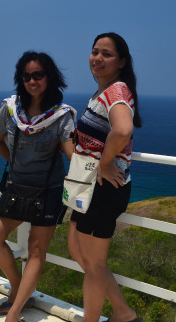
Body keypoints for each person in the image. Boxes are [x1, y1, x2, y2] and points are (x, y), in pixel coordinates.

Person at [0, 52, 76, 321]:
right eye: (27, 76)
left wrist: (101, 162)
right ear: (20, 78)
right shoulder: (11, 109)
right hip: (17, 187)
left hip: (48, 191)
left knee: (36, 249)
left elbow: (71, 154)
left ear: (49, 77)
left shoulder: (61, 116)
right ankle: (16, 287)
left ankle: (15, 310)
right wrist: (14, 163)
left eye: (38, 75)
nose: (32, 81)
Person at [67, 33, 144, 322]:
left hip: (103, 188)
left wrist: (103, 162)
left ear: (121, 62)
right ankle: (123, 312)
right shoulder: (104, 92)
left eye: (107, 54)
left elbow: (122, 131)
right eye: (94, 51)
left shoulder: (117, 91)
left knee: (95, 265)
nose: (98, 58)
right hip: (85, 184)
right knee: (77, 251)